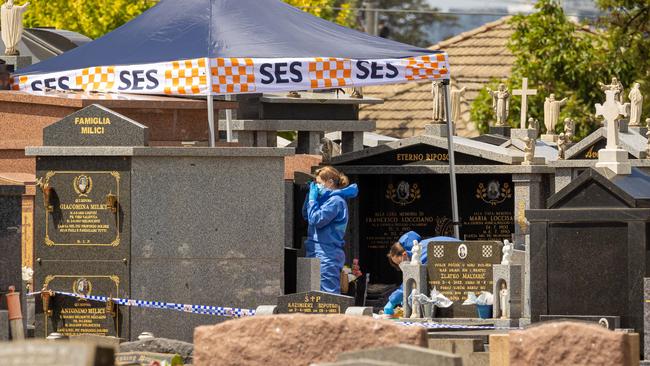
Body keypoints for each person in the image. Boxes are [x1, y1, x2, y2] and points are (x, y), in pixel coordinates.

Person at [302, 166, 358, 294]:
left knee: (328, 297)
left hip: (327, 254)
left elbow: (316, 219)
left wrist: (312, 200)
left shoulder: (335, 202)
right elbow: (307, 215)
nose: (317, 187)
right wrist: (309, 197)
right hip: (315, 251)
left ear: (330, 182)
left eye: (319, 183)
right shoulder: (325, 200)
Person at [383, 231, 459, 316]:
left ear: (404, 255)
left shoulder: (420, 252)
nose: (400, 266)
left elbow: (411, 281)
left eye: (399, 263)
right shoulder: (423, 246)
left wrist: (392, 301)